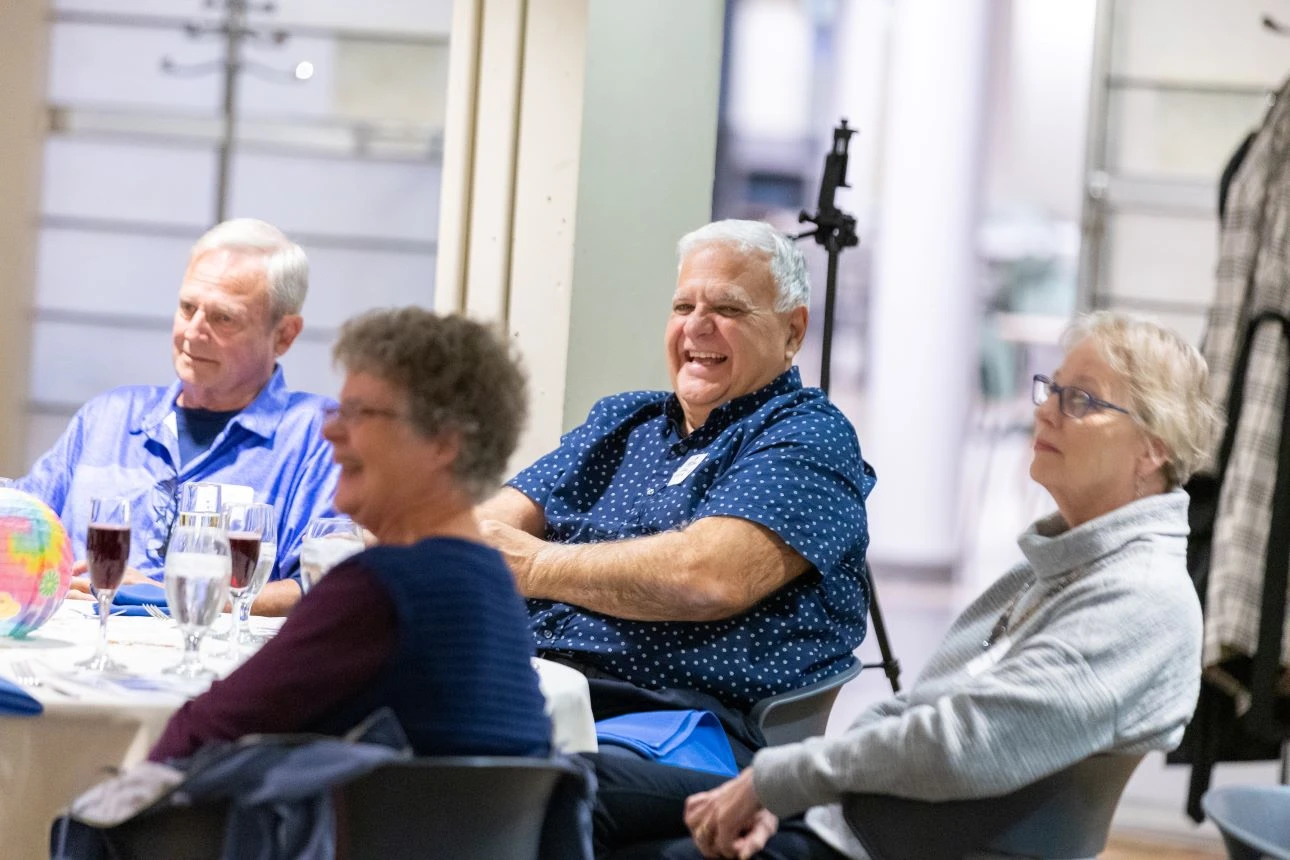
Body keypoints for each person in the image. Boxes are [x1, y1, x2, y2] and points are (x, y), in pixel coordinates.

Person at [598, 311, 1216, 859]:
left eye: (1081, 399)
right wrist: (792, 790)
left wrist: (780, 783)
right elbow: (919, 711)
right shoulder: (1057, 562)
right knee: (574, 784)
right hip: (847, 816)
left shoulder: (1141, 600)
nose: (1045, 409)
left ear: (1152, 449)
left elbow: (964, 743)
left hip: (876, 839)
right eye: (1051, 388)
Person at [477, 219, 876, 759]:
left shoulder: (806, 436)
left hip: (673, 721)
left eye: (729, 309)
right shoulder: (621, 420)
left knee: (505, 788)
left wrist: (534, 567)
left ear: (793, 331)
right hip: (529, 691)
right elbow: (485, 530)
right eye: (684, 307)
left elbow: (706, 578)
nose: (698, 327)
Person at [149, 308, 550, 761]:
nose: (330, 429)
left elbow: (199, 736)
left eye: (359, 413)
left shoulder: (383, 589)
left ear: (443, 443)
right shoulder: (489, 580)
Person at [16, 219, 339, 615]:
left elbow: (334, 584)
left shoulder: (317, 435)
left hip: (217, 668)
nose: (192, 332)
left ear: (285, 335)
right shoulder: (108, 417)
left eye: (224, 318)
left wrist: (172, 593)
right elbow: (18, 519)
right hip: (72, 654)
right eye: (187, 308)